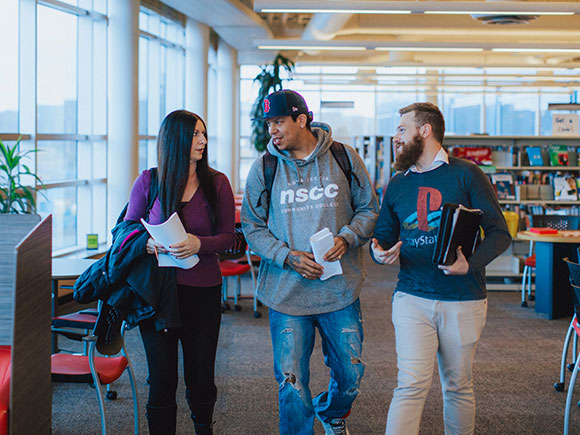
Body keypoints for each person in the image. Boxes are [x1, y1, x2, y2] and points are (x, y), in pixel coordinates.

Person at [241, 89, 379, 435]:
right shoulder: (264, 167)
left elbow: (369, 208)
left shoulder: (343, 157)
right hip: (287, 294)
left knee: (351, 373)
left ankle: (331, 412)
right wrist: (287, 257)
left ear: (301, 120)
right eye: (268, 123)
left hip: (339, 290)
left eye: (278, 122)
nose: (271, 130)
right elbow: (252, 227)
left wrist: (346, 238)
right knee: (291, 383)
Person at [371, 102, 511, 435]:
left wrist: (471, 264)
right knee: (410, 384)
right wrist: (379, 252)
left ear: (425, 130)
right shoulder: (398, 183)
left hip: (463, 298)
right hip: (411, 296)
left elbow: (500, 234)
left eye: (402, 129)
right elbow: (382, 235)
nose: (396, 137)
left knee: (458, 385)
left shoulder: (466, 174)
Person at [124, 110, 235, 435]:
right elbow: (127, 229)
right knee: (161, 378)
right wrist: (146, 244)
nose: (202, 141)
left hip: (202, 291)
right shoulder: (149, 181)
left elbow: (230, 237)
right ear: (175, 140)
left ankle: (204, 428)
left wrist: (198, 244)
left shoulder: (217, 183)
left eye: (203, 133)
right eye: (195, 135)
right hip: (158, 294)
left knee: (201, 377)